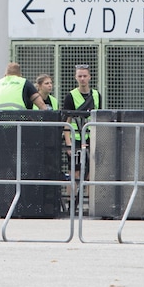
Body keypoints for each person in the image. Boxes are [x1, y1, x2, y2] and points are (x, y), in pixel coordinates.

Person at [63, 64, 101, 201]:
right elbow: (67, 121)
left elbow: (99, 118)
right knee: (75, 171)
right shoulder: (71, 96)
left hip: (92, 138)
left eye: (85, 76)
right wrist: (68, 143)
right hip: (76, 138)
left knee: (92, 171)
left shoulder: (96, 95)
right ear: (76, 77)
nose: (82, 79)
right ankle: (71, 202)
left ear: (89, 77)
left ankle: (90, 202)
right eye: (80, 76)